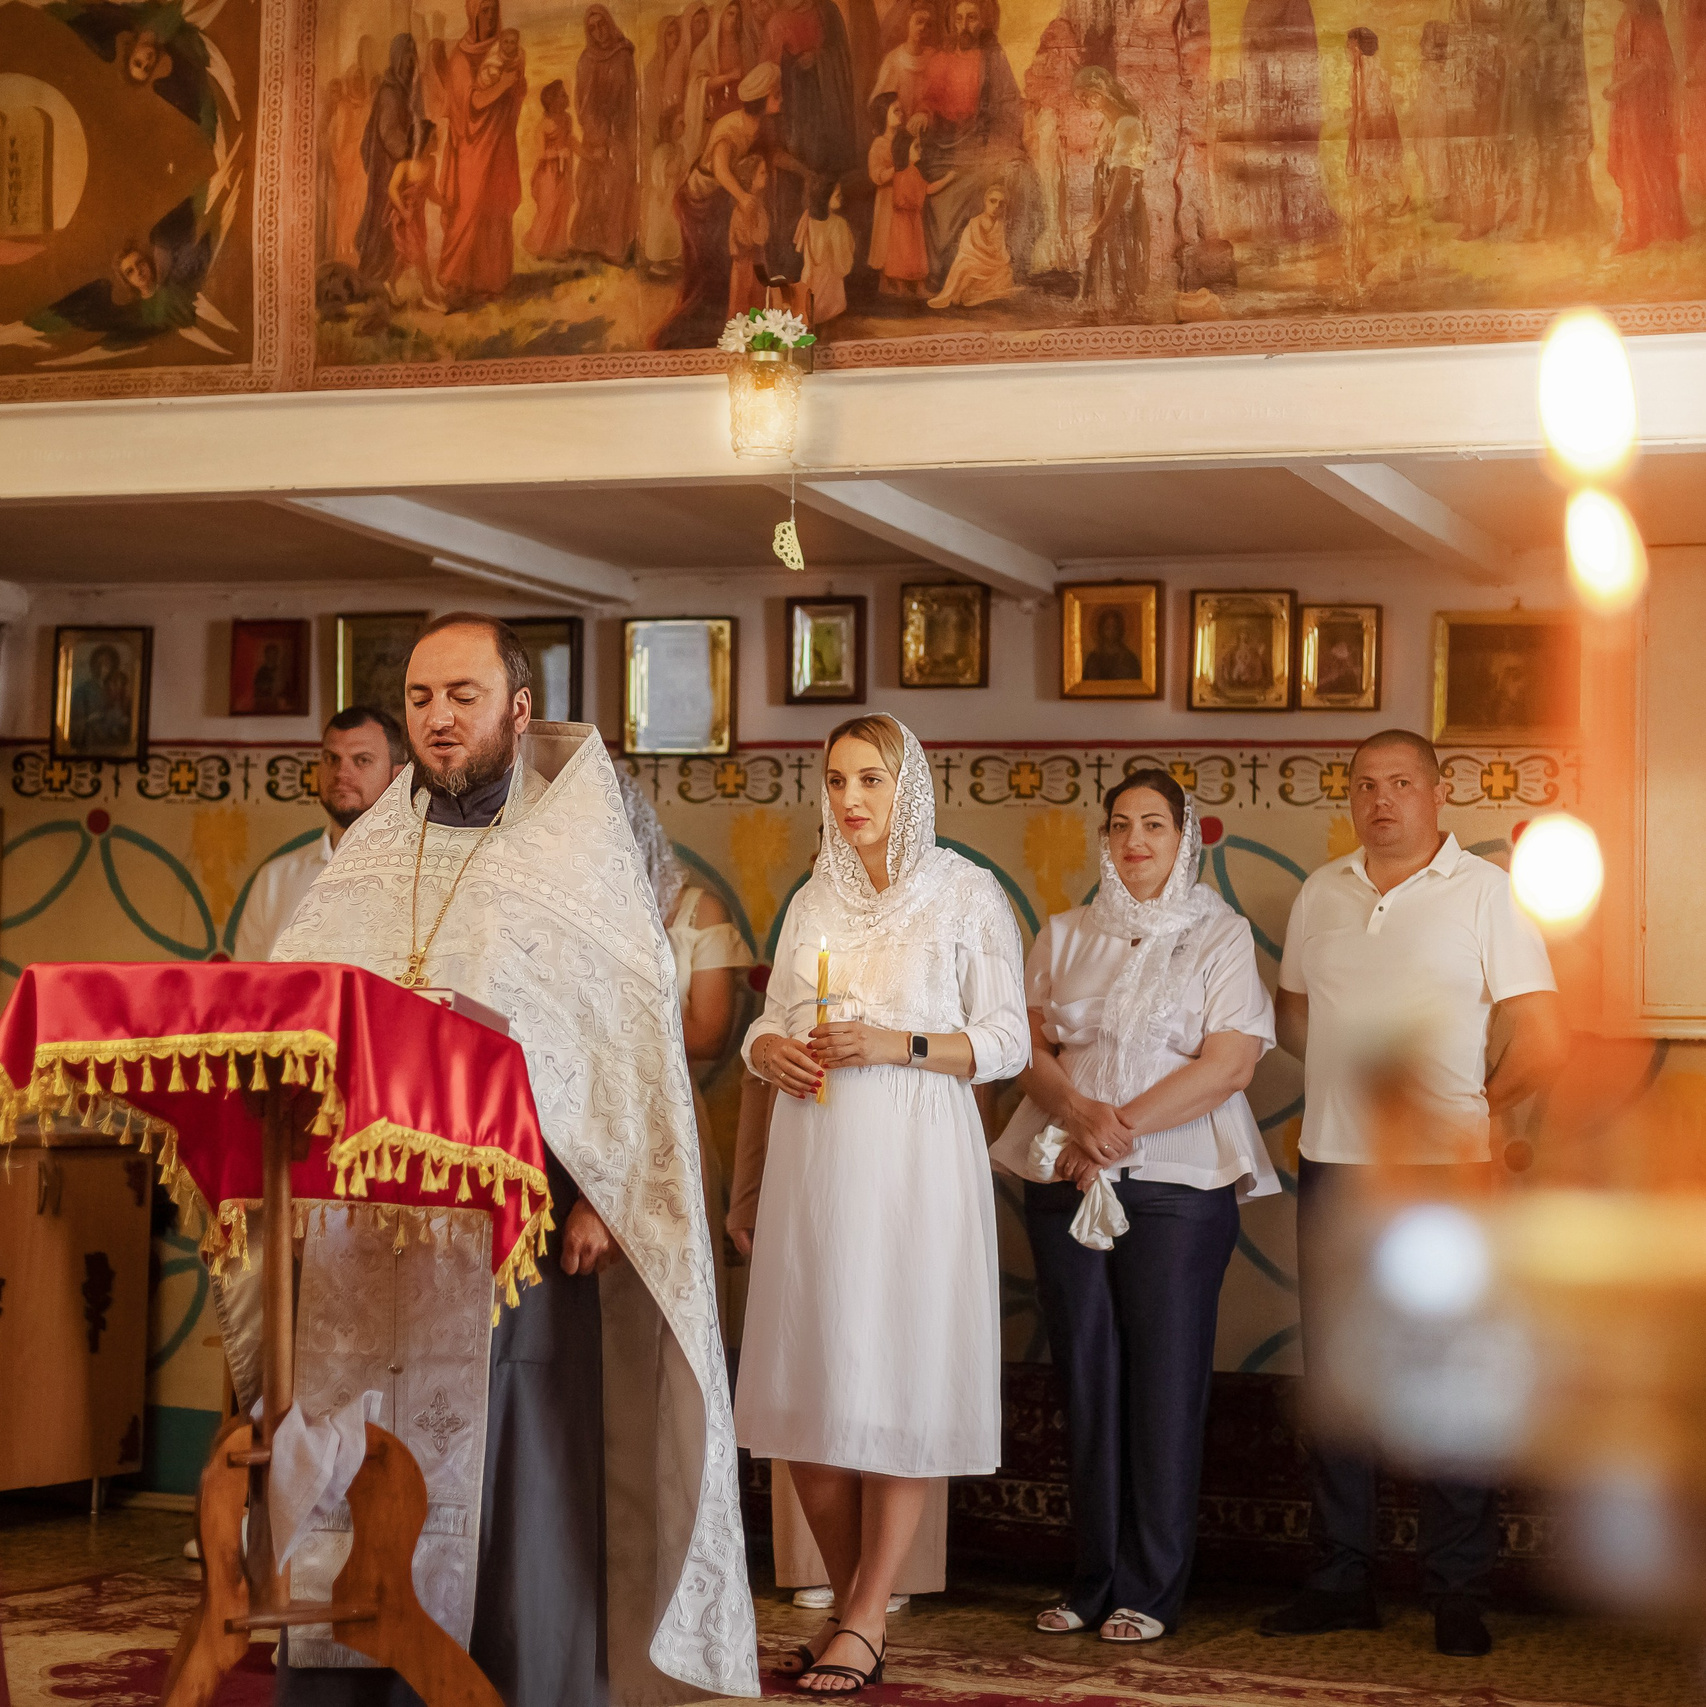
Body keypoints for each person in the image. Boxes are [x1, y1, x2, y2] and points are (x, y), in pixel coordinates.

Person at [270, 614, 758, 1706]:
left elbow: (620, 1051)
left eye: (463, 696)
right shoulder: (365, 861)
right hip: (370, 1224)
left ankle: (520, 1680)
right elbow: (302, 1016)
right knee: (363, 1455)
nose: (440, 718)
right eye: (422, 699)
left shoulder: (573, 866)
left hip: (519, 1222)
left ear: (517, 710)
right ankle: (358, 1683)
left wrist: (599, 1201)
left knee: (512, 1464)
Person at [1260, 728, 1565, 1658]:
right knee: (1343, 1374)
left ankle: (1458, 1587)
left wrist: (1476, 1104)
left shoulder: (1488, 894)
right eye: (1363, 784)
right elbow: (1294, 1010)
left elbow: (1542, 1038)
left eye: (1400, 782)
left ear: (1438, 795)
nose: (1380, 799)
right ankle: (1339, 1577)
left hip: (1448, 1171)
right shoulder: (1322, 893)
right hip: (1336, 1161)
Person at [739, 713, 1028, 1693]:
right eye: (835, 780)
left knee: (896, 1374)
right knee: (809, 1385)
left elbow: (1006, 1042)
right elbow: (773, 1018)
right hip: (813, 1157)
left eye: (870, 779)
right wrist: (762, 1049)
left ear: (907, 789)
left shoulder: (965, 895)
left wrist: (898, 1044)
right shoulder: (810, 901)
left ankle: (862, 1616)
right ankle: (855, 1594)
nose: (850, 798)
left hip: (914, 1156)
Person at [992, 771, 1277, 1642]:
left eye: (1155, 824)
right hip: (1063, 1173)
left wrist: (1114, 1130)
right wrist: (1078, 1115)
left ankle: (1150, 1586)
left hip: (1179, 1190)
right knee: (1086, 1375)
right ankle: (1092, 1577)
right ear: (1105, 838)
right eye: (1121, 825)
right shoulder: (1065, 933)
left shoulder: (1221, 936)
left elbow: (1229, 1063)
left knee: (1163, 1383)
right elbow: (1024, 1044)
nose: (1137, 840)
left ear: (1185, 836)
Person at [617, 766, 753, 1331]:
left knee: (673, 1285)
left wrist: (608, 1038)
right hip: (574, 1112)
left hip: (670, 1112)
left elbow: (709, 1034)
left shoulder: (698, 912)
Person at [234, 707, 406, 961]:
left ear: (398, 776)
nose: (341, 774)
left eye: (362, 760)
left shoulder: (419, 876)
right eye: (331, 759)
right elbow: (247, 987)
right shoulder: (274, 879)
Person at [435, 0, 527, 304]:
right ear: (472, 14)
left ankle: (491, 279)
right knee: (469, 208)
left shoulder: (505, 49)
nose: (489, 17)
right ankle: (453, 278)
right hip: (472, 146)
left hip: (499, 142)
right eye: (484, 10)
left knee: (495, 206)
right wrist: (504, 85)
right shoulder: (460, 58)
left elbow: (516, 91)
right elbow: (471, 103)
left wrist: (516, 83)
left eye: (493, 10)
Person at [1604, 0, 1689, 253]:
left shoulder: (1648, 21)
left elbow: (1650, 62)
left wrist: (1619, 87)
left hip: (1647, 106)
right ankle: (1639, 226)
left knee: (1646, 161)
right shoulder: (1626, 20)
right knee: (1632, 161)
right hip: (1629, 107)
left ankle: (1649, 228)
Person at [1073, 67, 1147, 325]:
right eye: (1080, 98)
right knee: (1099, 262)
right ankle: (1103, 318)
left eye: (1089, 96)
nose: (1085, 103)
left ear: (1104, 91)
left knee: (1120, 260)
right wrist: (1096, 217)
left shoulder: (1128, 124)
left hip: (1122, 207)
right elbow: (1099, 175)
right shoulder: (1107, 124)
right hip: (1107, 205)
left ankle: (1124, 319)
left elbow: (1124, 178)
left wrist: (1105, 220)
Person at [570, 6, 640, 264]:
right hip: (594, 134)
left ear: (609, 24)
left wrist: (614, 136)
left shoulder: (623, 56)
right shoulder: (586, 60)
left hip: (620, 133)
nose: (599, 32)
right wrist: (597, 135)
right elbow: (582, 102)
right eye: (593, 28)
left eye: (602, 25)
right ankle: (588, 243)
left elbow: (628, 100)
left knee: (618, 187)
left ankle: (615, 246)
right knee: (590, 189)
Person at [355, 34, 419, 289]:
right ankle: (373, 275)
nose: (412, 61)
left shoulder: (402, 89)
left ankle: (383, 277)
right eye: (407, 55)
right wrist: (409, 155)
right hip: (387, 169)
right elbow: (388, 131)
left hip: (395, 167)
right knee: (381, 221)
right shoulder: (391, 92)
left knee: (390, 222)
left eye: (414, 55)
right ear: (396, 57)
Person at [882, 127, 953, 294]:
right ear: (904, 150)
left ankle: (919, 286)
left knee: (915, 253)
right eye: (916, 147)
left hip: (913, 220)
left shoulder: (914, 171)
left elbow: (927, 189)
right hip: (903, 221)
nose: (920, 150)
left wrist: (947, 179)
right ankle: (901, 286)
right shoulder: (901, 173)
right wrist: (908, 204)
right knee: (902, 253)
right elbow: (899, 200)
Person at [386, 121, 448, 310]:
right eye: (433, 138)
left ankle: (390, 281)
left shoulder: (431, 162)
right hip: (404, 217)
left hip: (417, 216)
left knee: (407, 255)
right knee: (419, 254)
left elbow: (430, 191)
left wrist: (445, 204)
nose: (437, 141)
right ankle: (429, 295)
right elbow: (392, 190)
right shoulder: (404, 166)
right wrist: (403, 212)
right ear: (421, 141)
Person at [928, 181, 1015, 308]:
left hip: (991, 262)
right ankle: (957, 295)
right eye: (993, 201)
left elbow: (999, 249)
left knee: (1006, 272)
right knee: (967, 268)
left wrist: (997, 258)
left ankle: (972, 295)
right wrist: (982, 255)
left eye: (1001, 203)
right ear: (985, 202)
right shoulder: (975, 222)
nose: (997, 206)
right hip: (973, 258)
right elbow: (966, 247)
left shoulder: (1000, 224)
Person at [523, 80, 576, 261]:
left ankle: (558, 248)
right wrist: (557, 153)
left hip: (564, 171)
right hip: (548, 173)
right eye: (562, 95)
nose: (567, 97)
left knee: (563, 205)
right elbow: (540, 153)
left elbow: (571, 141)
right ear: (552, 101)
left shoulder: (567, 119)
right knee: (548, 208)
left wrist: (588, 153)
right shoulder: (544, 125)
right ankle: (538, 246)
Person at [796, 179, 856, 322]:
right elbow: (843, 265)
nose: (841, 198)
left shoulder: (807, 220)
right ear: (825, 198)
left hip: (810, 288)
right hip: (832, 297)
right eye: (837, 195)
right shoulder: (838, 224)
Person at [1080, 607, 1142, 680]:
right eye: (1107, 628)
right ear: (1101, 630)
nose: (1111, 632)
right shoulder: (1093, 659)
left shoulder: (1129, 659)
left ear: (1120, 630)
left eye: (1115, 627)